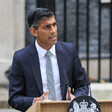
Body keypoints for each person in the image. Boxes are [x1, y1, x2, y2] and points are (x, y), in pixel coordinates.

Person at [8, 7, 90, 111]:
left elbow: (82, 85)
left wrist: (76, 98)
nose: (53, 31)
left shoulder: (69, 51)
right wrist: (36, 101)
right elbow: (14, 98)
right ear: (34, 31)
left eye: (54, 25)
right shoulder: (21, 58)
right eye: (47, 27)